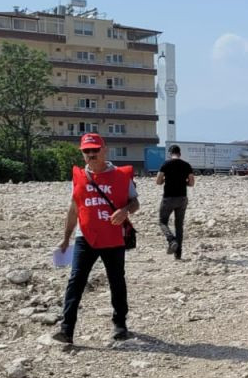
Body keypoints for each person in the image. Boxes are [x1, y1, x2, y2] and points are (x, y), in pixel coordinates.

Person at [55, 133, 139, 345]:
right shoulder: (79, 178)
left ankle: (120, 323)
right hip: (86, 237)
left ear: (104, 149)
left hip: (113, 237)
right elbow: (74, 209)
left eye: (95, 150)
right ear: (83, 153)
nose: (91, 154)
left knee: (116, 280)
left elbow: (135, 202)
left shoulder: (121, 175)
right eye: (86, 151)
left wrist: (125, 211)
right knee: (76, 281)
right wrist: (66, 238)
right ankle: (66, 330)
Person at [155, 144, 194, 260]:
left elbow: (158, 181)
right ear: (180, 154)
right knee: (179, 225)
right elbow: (191, 183)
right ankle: (178, 254)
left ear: (170, 154)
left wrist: (164, 181)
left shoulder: (165, 164)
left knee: (162, 222)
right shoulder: (186, 165)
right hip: (182, 198)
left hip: (168, 198)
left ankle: (171, 240)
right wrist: (184, 183)